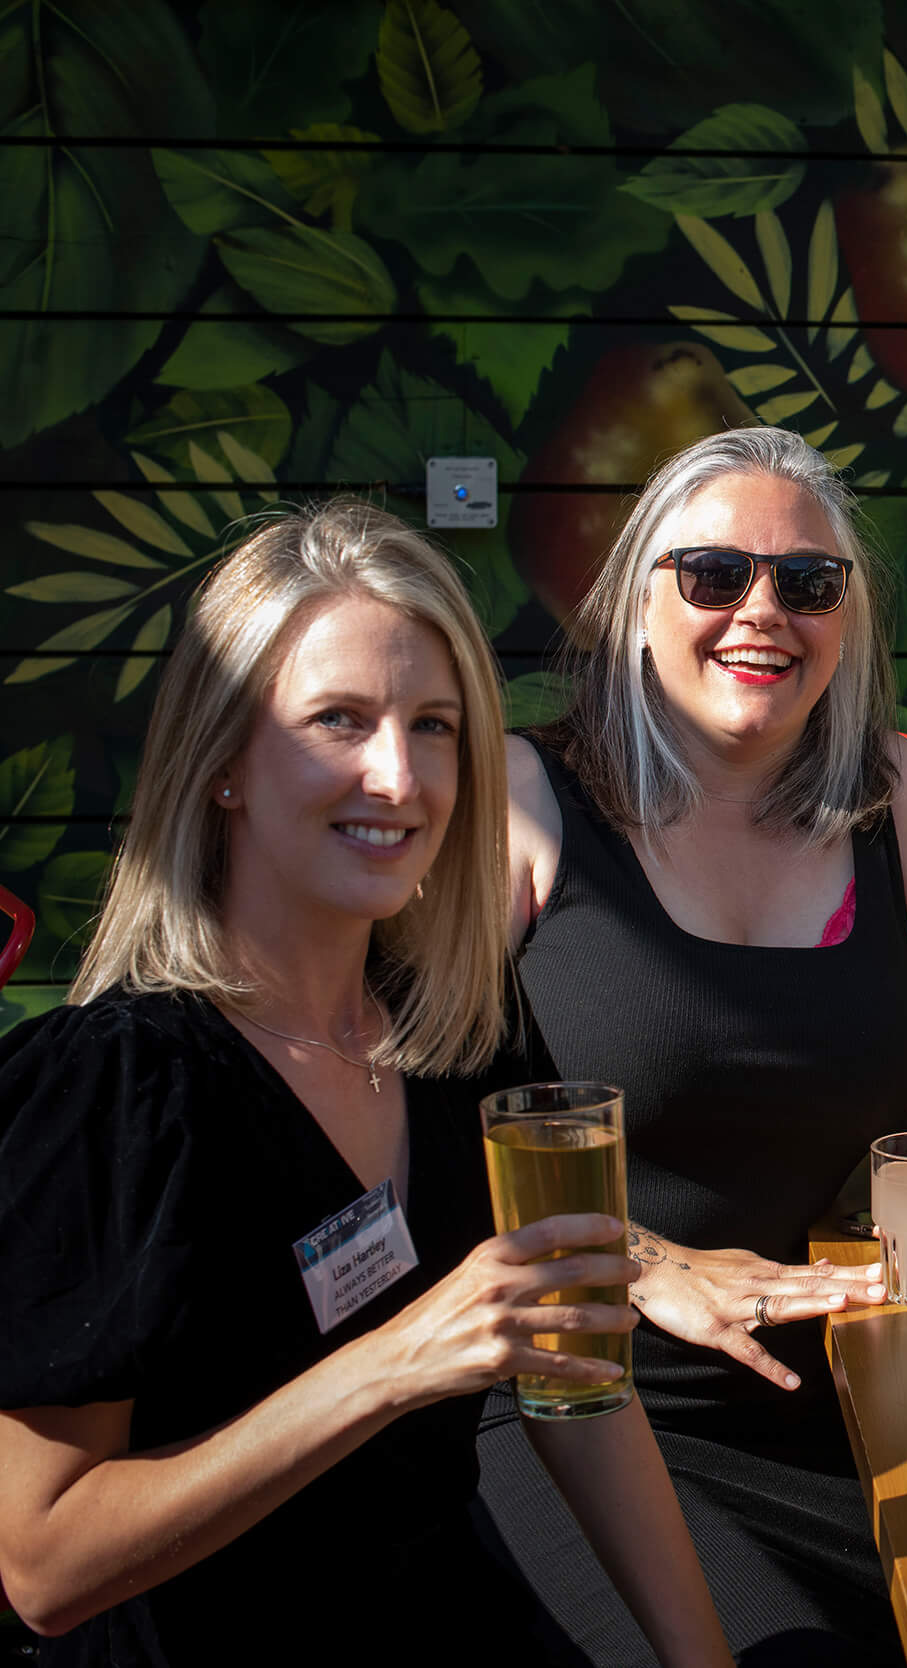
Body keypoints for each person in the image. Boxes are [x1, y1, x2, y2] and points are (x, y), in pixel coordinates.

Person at [0, 504, 730, 1667]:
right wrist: (391, 1365)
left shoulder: (461, 1032)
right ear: (224, 762)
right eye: (337, 720)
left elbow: (580, 1381)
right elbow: (44, 1568)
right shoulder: (117, 1086)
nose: (396, 777)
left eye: (432, 726)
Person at [484, 427, 907, 1666]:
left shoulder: (900, 796)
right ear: (636, 602)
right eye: (714, 574)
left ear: (846, 619)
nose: (762, 610)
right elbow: (410, 1122)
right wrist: (641, 1256)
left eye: (807, 582)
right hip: (581, 1400)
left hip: (852, 1400)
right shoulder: (528, 797)